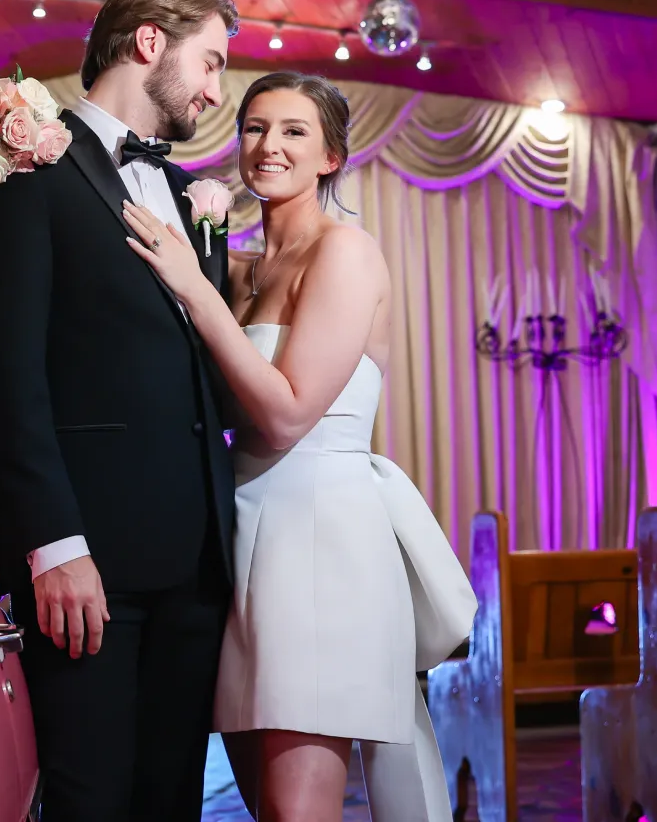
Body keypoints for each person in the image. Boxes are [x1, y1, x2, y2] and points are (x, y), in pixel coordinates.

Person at [123, 71, 477, 822]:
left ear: (331, 157)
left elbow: (286, 414)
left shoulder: (344, 253)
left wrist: (195, 290)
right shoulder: (240, 267)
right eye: (254, 127)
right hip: (243, 533)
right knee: (267, 807)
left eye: (292, 131)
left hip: (319, 533)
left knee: (297, 811)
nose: (268, 145)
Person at [0, 0, 240, 821]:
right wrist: (54, 543)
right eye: (214, 61)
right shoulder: (25, 165)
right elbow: (6, 372)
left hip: (196, 564)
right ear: (150, 42)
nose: (216, 91)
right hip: (89, 564)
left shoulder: (193, 197)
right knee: (89, 802)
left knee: (171, 801)